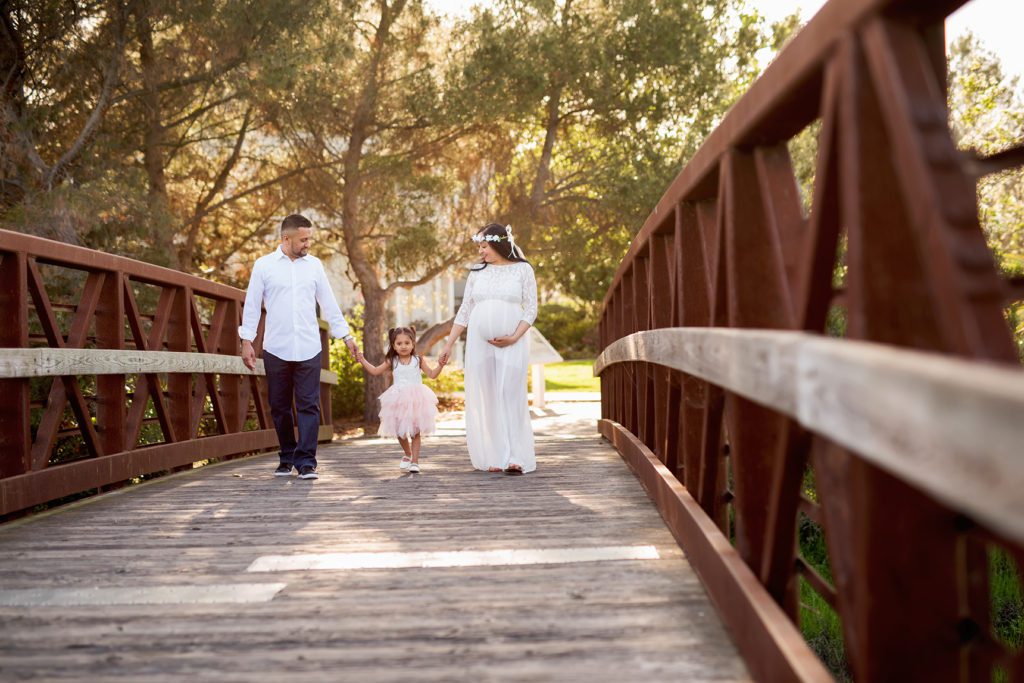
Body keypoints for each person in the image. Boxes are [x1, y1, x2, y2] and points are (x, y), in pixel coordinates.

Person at [238, 214, 358, 480]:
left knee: (308, 405)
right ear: (286, 238)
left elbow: (329, 303)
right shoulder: (264, 266)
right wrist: (247, 340)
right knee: (279, 406)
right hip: (276, 347)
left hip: (308, 347)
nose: (308, 244)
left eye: (309, 239)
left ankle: (306, 462)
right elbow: (252, 305)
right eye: (303, 239)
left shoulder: (314, 266)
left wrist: (346, 336)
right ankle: (286, 456)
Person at [438, 223, 537, 475]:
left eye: (484, 246)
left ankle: (516, 457)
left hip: (512, 342)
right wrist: (449, 343)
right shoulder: (477, 273)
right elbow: (465, 310)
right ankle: (496, 455)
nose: (480, 251)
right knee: (489, 395)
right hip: (479, 344)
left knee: (510, 394)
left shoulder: (522, 270)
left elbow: (531, 309)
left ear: (498, 243)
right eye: (480, 246)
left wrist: (514, 336)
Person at [356, 326, 446, 474]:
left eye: (406, 343)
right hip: (398, 399)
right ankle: (408, 454)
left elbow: (432, 374)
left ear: (413, 344)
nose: (403, 346)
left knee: (416, 432)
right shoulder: (392, 361)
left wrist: (440, 366)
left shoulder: (418, 360)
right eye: (399, 344)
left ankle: (415, 462)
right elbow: (375, 371)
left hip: (417, 399)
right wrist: (362, 359)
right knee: (400, 431)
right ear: (393, 346)